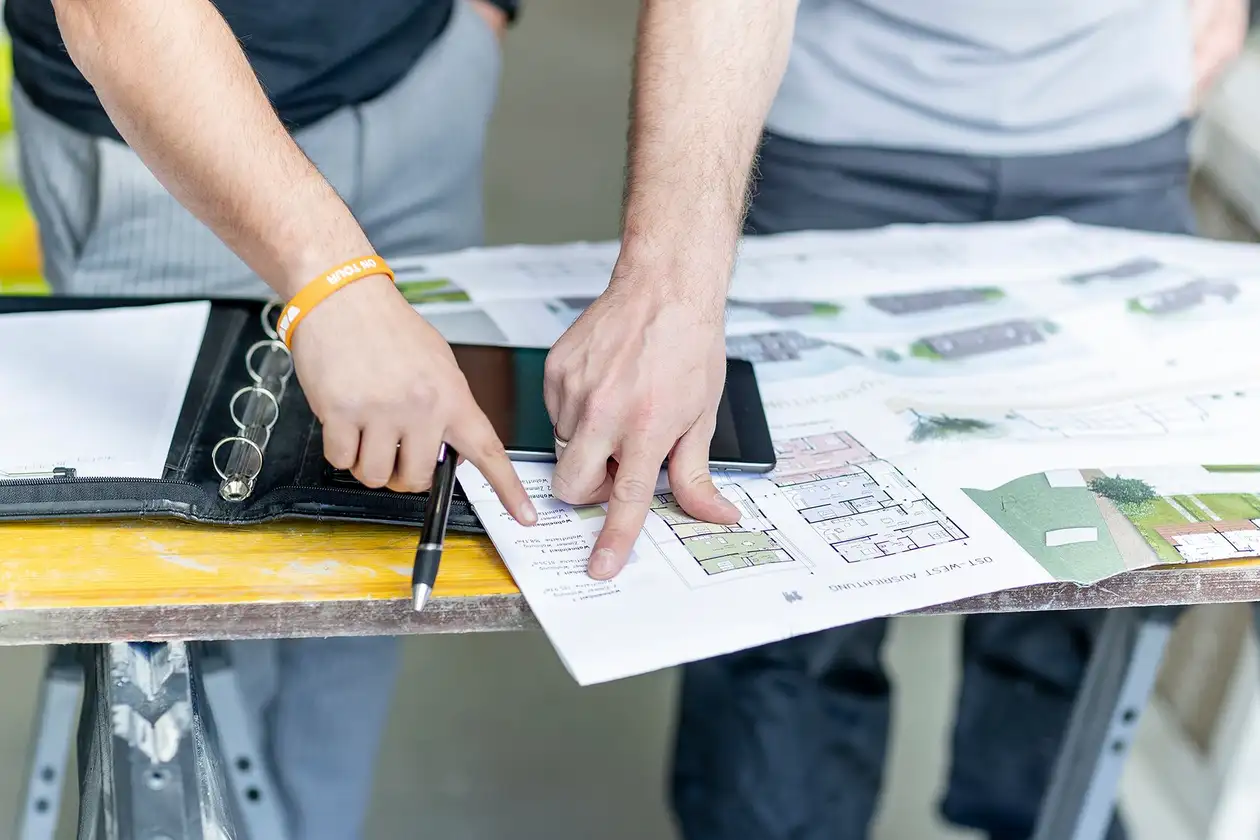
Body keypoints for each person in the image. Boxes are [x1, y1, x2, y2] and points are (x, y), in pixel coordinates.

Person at [544, 0, 1251, 839]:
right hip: (839, 140)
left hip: (1117, 137)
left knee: (1092, 588)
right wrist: (666, 285)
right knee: (785, 593)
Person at [3, 0, 540, 838]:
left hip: (422, 84)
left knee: (371, 577)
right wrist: (337, 283)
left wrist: (480, 20)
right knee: (177, 684)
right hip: (163, 127)